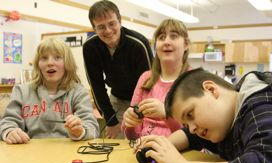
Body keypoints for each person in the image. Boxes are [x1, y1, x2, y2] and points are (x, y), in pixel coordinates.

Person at [136, 68, 272, 163]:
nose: (193, 128)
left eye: (190, 114)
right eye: (187, 123)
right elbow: (190, 136)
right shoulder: (224, 117)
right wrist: (162, 147)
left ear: (211, 89)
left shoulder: (263, 106)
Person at [0, 38, 100, 144]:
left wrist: (80, 131)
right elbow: (7, 121)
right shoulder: (21, 91)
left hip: (69, 155)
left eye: (57, 57)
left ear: (67, 63)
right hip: (30, 155)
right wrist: (10, 131)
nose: (50, 63)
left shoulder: (78, 92)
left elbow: (92, 128)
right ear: (38, 64)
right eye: (44, 58)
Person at [83, 0, 153, 139]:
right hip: (117, 100)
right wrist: (111, 120)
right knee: (115, 145)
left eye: (112, 23)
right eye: (101, 27)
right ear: (94, 28)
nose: (108, 31)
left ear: (120, 21)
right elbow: (96, 86)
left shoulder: (138, 44)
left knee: (142, 142)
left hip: (143, 100)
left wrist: (137, 113)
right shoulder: (90, 47)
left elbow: (149, 84)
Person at [121, 19, 190, 140]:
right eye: (162, 37)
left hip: (181, 153)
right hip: (144, 150)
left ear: (186, 44)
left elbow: (196, 138)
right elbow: (132, 136)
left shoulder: (194, 80)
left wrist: (166, 115)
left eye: (173, 36)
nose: (166, 42)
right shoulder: (146, 78)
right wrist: (129, 123)